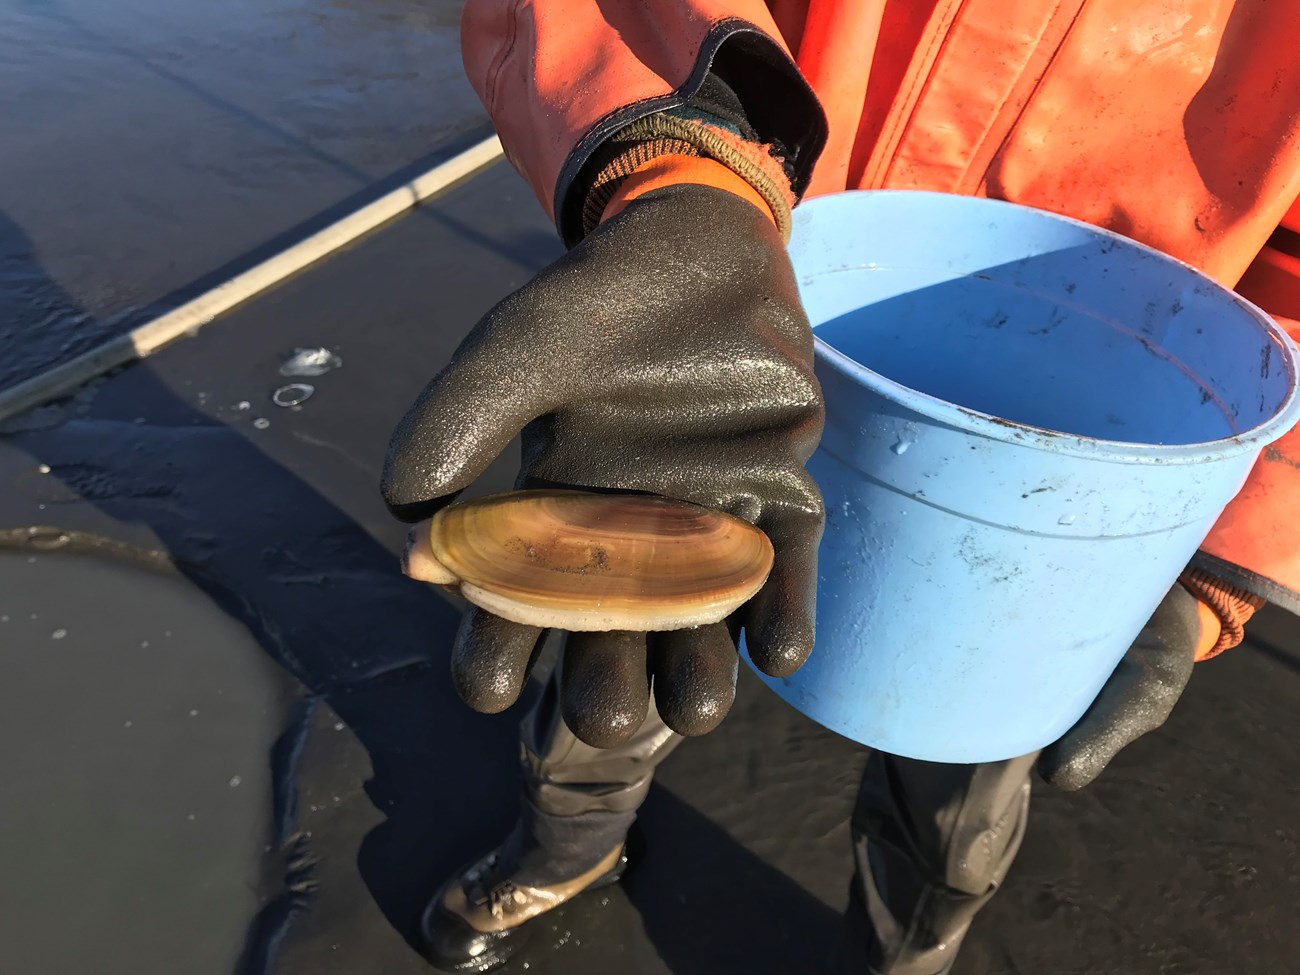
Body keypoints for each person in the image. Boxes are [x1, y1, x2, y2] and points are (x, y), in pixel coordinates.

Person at [382, 3, 1300, 972]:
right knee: (617, 667)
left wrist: (1226, 560)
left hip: (1073, 459)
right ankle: (563, 851)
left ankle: (906, 953)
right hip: (743, 312)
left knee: (964, 768)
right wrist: (682, 165)